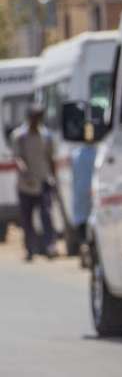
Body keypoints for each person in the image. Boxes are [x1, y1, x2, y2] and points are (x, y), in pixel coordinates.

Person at [12, 104, 56, 262]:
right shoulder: (19, 136)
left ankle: (50, 246)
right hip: (26, 184)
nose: (36, 120)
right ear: (29, 117)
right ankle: (30, 248)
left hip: (43, 181)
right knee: (27, 218)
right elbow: (17, 158)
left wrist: (53, 178)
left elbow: (51, 158)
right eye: (34, 117)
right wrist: (25, 173)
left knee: (46, 215)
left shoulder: (46, 135)